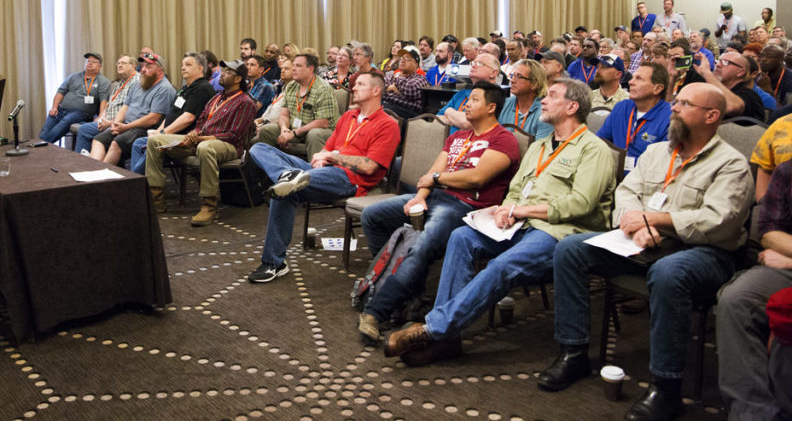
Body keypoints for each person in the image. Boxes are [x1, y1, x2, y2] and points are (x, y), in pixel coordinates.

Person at [537, 83, 753, 421]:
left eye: (684, 103)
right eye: (675, 101)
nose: (674, 108)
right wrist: (633, 224)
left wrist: (655, 221)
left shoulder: (730, 164)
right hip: (640, 240)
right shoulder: (657, 153)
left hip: (704, 252)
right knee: (570, 250)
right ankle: (573, 351)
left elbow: (719, 221)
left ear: (711, 116)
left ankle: (666, 388)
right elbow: (626, 192)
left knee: (668, 273)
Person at [382, 78, 617, 366]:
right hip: (520, 224)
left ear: (572, 106)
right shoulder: (541, 146)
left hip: (558, 232)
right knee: (462, 237)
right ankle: (448, 339)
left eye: (552, 96)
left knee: (502, 266)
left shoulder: (593, 149)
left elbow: (580, 204)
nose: (543, 100)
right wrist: (506, 209)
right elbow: (516, 190)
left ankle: (435, 331)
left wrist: (522, 211)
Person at [356, 82, 521, 342]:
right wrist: (420, 198)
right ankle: (410, 294)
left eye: (474, 99)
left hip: (465, 206)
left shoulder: (503, 139)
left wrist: (436, 179)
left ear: (491, 107)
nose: (466, 104)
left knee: (422, 245)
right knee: (373, 216)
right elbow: (428, 177)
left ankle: (376, 311)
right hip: (434, 196)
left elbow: (477, 178)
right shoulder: (457, 137)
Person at [247, 72, 401, 283]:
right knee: (260, 148)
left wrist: (330, 158)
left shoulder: (387, 125)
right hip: (319, 171)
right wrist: (321, 158)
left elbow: (369, 166)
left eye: (360, 85)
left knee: (286, 191)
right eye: (355, 84)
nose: (353, 88)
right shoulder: (348, 117)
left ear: (376, 91)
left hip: (348, 179)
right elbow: (328, 148)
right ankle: (287, 176)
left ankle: (273, 262)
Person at [717, 158, 792, 421]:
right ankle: (753, 413)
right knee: (737, 299)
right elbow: (770, 232)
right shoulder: (788, 170)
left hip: (788, 260)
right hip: (784, 268)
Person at [146, 60, 257, 226]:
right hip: (202, 140)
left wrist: (199, 139)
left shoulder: (246, 102)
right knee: (155, 141)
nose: (222, 74)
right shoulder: (216, 98)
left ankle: (209, 205)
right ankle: (156, 199)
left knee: (206, 148)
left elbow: (233, 136)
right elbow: (200, 124)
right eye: (223, 70)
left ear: (237, 79)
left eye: (227, 72)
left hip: (229, 146)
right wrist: (193, 135)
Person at [128, 52, 215, 173]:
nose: (183, 68)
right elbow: (171, 115)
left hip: (186, 138)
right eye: (182, 65)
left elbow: (188, 118)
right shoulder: (185, 89)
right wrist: (158, 131)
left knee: (152, 143)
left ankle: (133, 180)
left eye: (188, 65)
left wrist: (163, 133)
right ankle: (139, 182)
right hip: (170, 134)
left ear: (200, 68)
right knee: (139, 143)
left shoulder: (203, 88)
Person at [89, 53, 175, 166]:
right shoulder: (138, 84)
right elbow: (125, 107)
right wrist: (116, 124)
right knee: (98, 139)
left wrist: (126, 127)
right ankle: (93, 173)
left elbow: (153, 119)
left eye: (149, 67)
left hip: (144, 130)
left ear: (160, 70)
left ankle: (102, 178)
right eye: (142, 66)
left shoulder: (164, 89)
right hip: (126, 125)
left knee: (116, 143)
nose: (143, 69)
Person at [256, 53, 338, 158]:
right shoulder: (290, 86)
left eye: (298, 66)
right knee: (266, 130)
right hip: (296, 129)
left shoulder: (322, 88)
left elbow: (323, 122)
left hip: (321, 131)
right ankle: (272, 170)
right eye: (293, 65)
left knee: (315, 134)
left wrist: (294, 133)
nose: (294, 69)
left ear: (310, 69)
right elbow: (284, 115)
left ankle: (315, 172)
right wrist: (284, 129)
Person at [596, 63, 670, 173]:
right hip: (611, 174)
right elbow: (599, 142)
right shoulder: (622, 107)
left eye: (639, 79)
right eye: (633, 77)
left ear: (657, 88)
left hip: (644, 181)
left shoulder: (670, 118)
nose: (631, 82)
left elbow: (662, 165)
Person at [38, 52, 111, 144]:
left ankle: (43, 145)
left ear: (100, 66)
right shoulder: (73, 77)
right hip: (61, 109)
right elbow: (60, 92)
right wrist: (54, 107)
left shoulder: (103, 82)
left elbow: (103, 100)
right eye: (88, 61)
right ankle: (41, 145)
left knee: (65, 121)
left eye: (94, 62)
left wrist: (100, 117)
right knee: (48, 124)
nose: (90, 63)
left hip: (81, 112)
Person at [74, 55, 138, 154]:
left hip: (120, 123)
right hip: (106, 121)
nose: (120, 65)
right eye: (118, 63)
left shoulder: (137, 82)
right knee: (84, 128)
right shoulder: (119, 83)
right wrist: (102, 118)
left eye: (123, 63)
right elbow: (109, 104)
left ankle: (87, 162)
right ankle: (84, 160)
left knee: (86, 130)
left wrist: (110, 122)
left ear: (133, 66)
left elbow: (132, 110)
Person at [435, 53, 500, 134]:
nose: (473, 66)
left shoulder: (495, 96)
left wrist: (448, 112)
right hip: (449, 143)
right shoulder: (461, 93)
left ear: (493, 73)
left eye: (480, 63)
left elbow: (467, 123)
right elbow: (437, 119)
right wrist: (459, 119)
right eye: (473, 63)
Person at [694, 50, 765, 122]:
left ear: (740, 72)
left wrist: (707, 73)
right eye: (718, 61)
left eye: (725, 62)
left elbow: (732, 107)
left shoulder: (750, 95)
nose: (718, 65)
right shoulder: (712, 90)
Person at [500, 59, 553, 139]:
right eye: (512, 75)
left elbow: (540, 149)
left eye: (519, 77)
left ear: (534, 84)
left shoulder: (545, 112)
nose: (512, 80)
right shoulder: (504, 104)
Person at [382, 46, 428, 119]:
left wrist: (392, 88)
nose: (402, 60)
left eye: (407, 58)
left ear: (416, 64)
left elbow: (410, 90)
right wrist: (398, 92)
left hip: (406, 114)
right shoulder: (392, 75)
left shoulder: (420, 78)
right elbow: (380, 85)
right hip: (387, 107)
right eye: (401, 58)